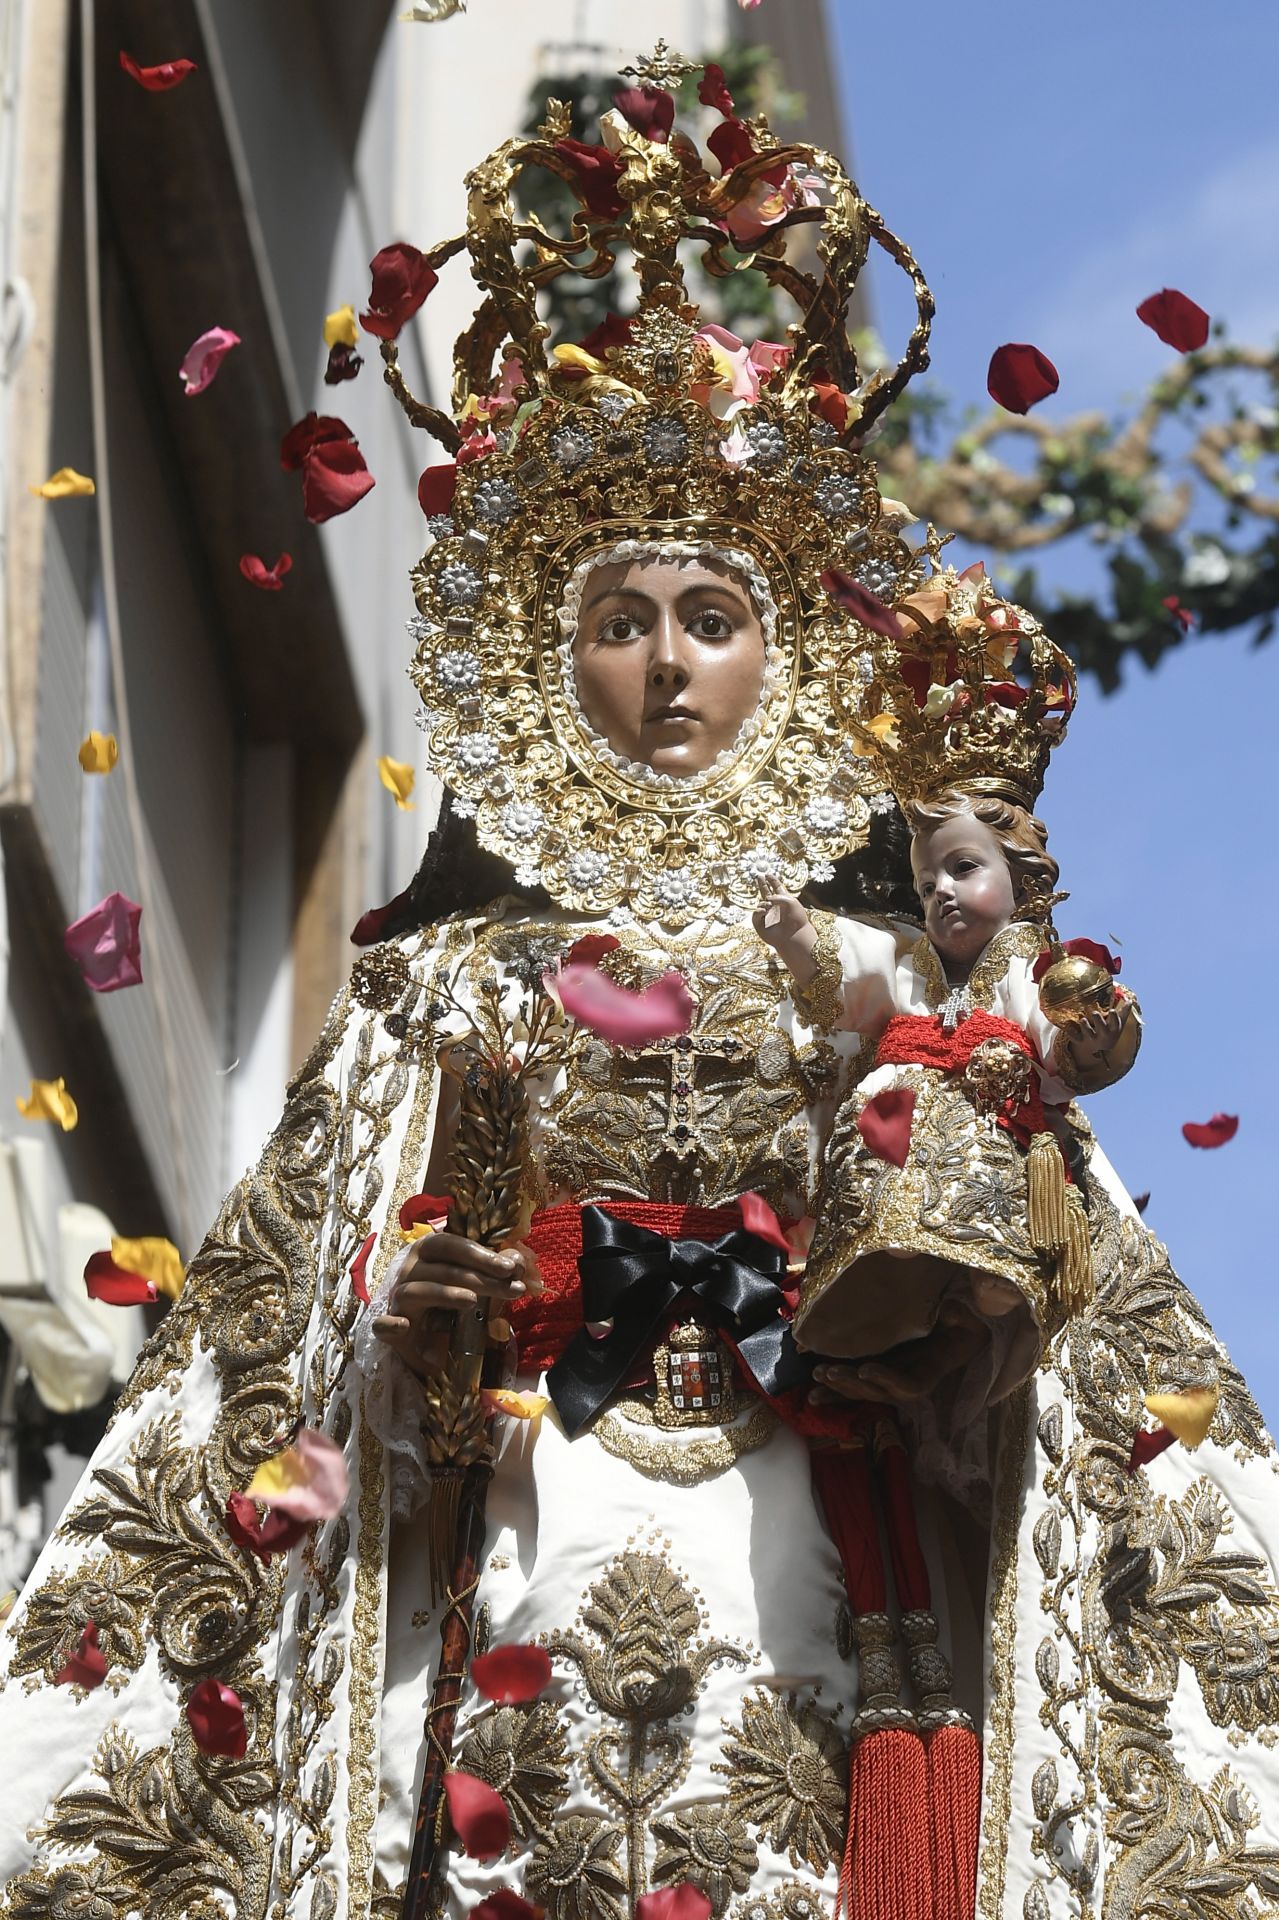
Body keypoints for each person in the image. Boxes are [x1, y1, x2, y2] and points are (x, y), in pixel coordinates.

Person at [3, 53, 1279, 1920]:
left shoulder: (876, 971)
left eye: (712, 619)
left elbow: (1053, 1350)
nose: (668, 666)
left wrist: (958, 1264)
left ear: (781, 652)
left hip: (835, 1566)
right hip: (539, 1532)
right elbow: (298, 1372)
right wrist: (424, 1326)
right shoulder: (449, 986)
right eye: (621, 620)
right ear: (553, 645)